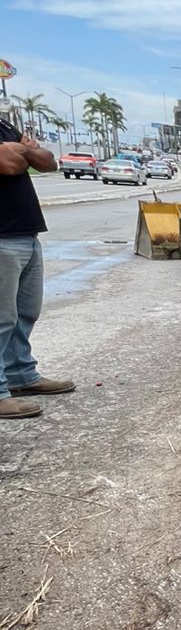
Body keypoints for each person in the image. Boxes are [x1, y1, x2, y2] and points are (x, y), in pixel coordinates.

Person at [0, 117, 75, 419]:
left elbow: (48, 162)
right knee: (1, 319)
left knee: (25, 312)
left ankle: (21, 375)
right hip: (2, 235)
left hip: (26, 234)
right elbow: (8, 164)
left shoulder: (4, 125)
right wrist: (25, 151)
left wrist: (21, 150)